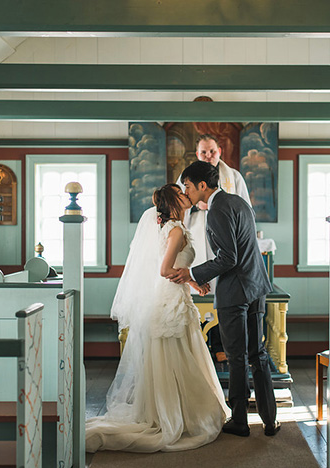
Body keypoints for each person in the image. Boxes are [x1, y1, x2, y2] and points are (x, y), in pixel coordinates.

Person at [85, 183, 229, 453]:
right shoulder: (174, 229)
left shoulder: (174, 227)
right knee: (176, 356)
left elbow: (174, 267)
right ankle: (176, 416)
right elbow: (164, 270)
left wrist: (194, 283)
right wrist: (189, 279)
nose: (186, 194)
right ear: (174, 200)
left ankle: (179, 412)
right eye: (181, 192)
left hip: (174, 295)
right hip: (169, 300)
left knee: (180, 355)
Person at [167, 161, 280, 438]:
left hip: (235, 292)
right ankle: (269, 420)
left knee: (237, 357)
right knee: (258, 354)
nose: (187, 192)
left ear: (202, 186)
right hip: (256, 286)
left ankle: (240, 420)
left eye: (189, 187)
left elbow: (228, 258)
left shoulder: (217, 209)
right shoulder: (239, 202)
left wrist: (192, 272)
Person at [178, 134, 251, 360]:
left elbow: (244, 206)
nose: (208, 156)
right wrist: (199, 205)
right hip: (199, 232)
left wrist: (215, 204)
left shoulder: (234, 176)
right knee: (202, 285)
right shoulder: (186, 177)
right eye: (203, 152)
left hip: (225, 235)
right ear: (197, 154)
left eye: (212, 151)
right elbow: (181, 205)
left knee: (222, 285)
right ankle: (199, 342)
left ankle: (220, 345)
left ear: (220, 151)